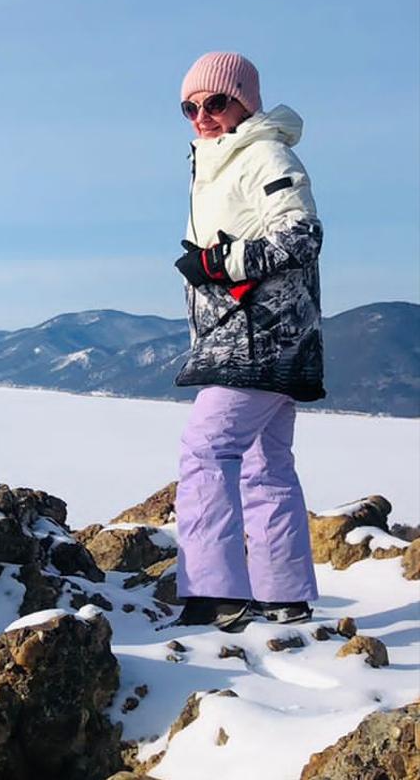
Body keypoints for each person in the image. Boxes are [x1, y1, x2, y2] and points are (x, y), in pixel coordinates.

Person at [170, 51, 324, 632]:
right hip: (264, 335)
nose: (202, 116)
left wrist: (218, 262)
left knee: (205, 448)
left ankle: (214, 593)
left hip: (262, 336)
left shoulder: (264, 153)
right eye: (190, 107)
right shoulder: (217, 160)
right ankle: (283, 595)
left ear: (245, 101)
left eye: (215, 102)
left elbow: (302, 236)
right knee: (265, 462)